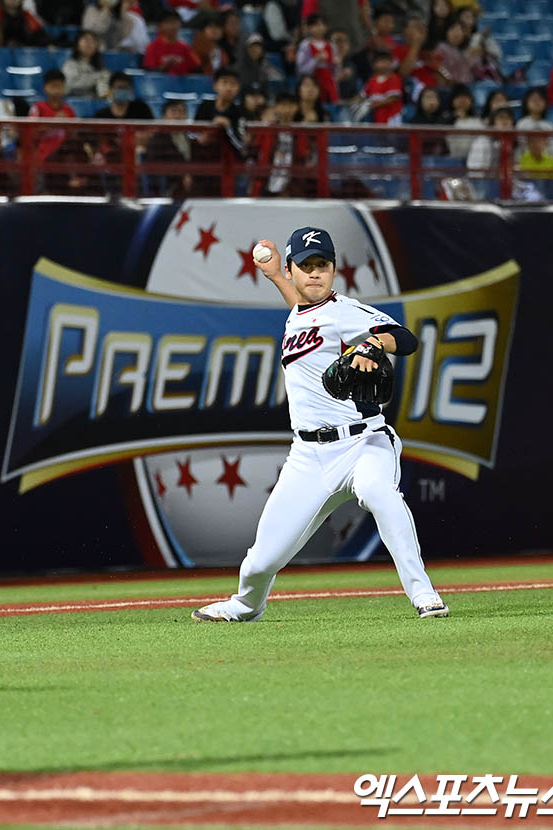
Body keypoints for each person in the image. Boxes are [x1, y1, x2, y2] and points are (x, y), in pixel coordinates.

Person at [192, 226, 448, 624]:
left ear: (334, 270)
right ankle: (245, 606)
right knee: (262, 561)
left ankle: (423, 593)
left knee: (378, 491)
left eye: (323, 265)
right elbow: (303, 308)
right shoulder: (300, 312)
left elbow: (405, 337)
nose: (315, 273)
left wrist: (372, 344)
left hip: (364, 444)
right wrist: (276, 276)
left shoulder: (346, 311)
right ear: (294, 270)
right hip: (308, 455)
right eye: (306, 266)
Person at [143, 11, 201, 75]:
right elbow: (149, 74)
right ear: (161, 25)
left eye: (175, 22)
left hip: (182, 84)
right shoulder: (153, 47)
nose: (172, 26)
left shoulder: (184, 47)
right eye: (168, 22)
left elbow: (196, 68)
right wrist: (164, 68)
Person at [81, 0, 148, 53]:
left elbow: (120, 37)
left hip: (114, 52)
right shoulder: (91, 11)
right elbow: (92, 31)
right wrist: (106, 10)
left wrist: (122, 14)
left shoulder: (127, 19)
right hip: (95, 51)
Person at [467, 104, 512, 174]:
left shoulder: (511, 142)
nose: (505, 121)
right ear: (493, 122)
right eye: (501, 117)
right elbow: (476, 171)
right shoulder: (482, 142)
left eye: (507, 118)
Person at [62, 31, 108, 98]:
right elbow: (69, 85)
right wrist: (96, 78)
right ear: (77, 44)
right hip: (73, 102)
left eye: (93, 41)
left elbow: (103, 92)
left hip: (94, 103)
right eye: (86, 40)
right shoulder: (70, 65)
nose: (89, 44)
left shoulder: (101, 69)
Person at [361, 50, 402, 124]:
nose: (384, 64)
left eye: (387, 61)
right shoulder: (372, 80)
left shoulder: (394, 78)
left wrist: (371, 106)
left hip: (392, 116)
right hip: (376, 116)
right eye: (381, 61)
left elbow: (391, 99)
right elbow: (362, 96)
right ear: (374, 64)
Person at [410, 85, 451, 154]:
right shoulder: (414, 122)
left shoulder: (447, 119)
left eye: (434, 97)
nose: (432, 101)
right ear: (420, 101)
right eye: (428, 97)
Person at [517, 87, 553, 158]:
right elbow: (520, 148)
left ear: (545, 103)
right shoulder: (521, 124)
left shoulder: (549, 126)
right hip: (525, 164)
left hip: (545, 164)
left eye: (540, 99)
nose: (537, 102)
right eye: (533, 100)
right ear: (526, 103)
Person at [447, 81, 481, 158]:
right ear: (452, 100)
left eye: (465, 96)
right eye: (458, 97)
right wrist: (453, 117)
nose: (462, 100)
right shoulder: (445, 119)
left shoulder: (478, 120)